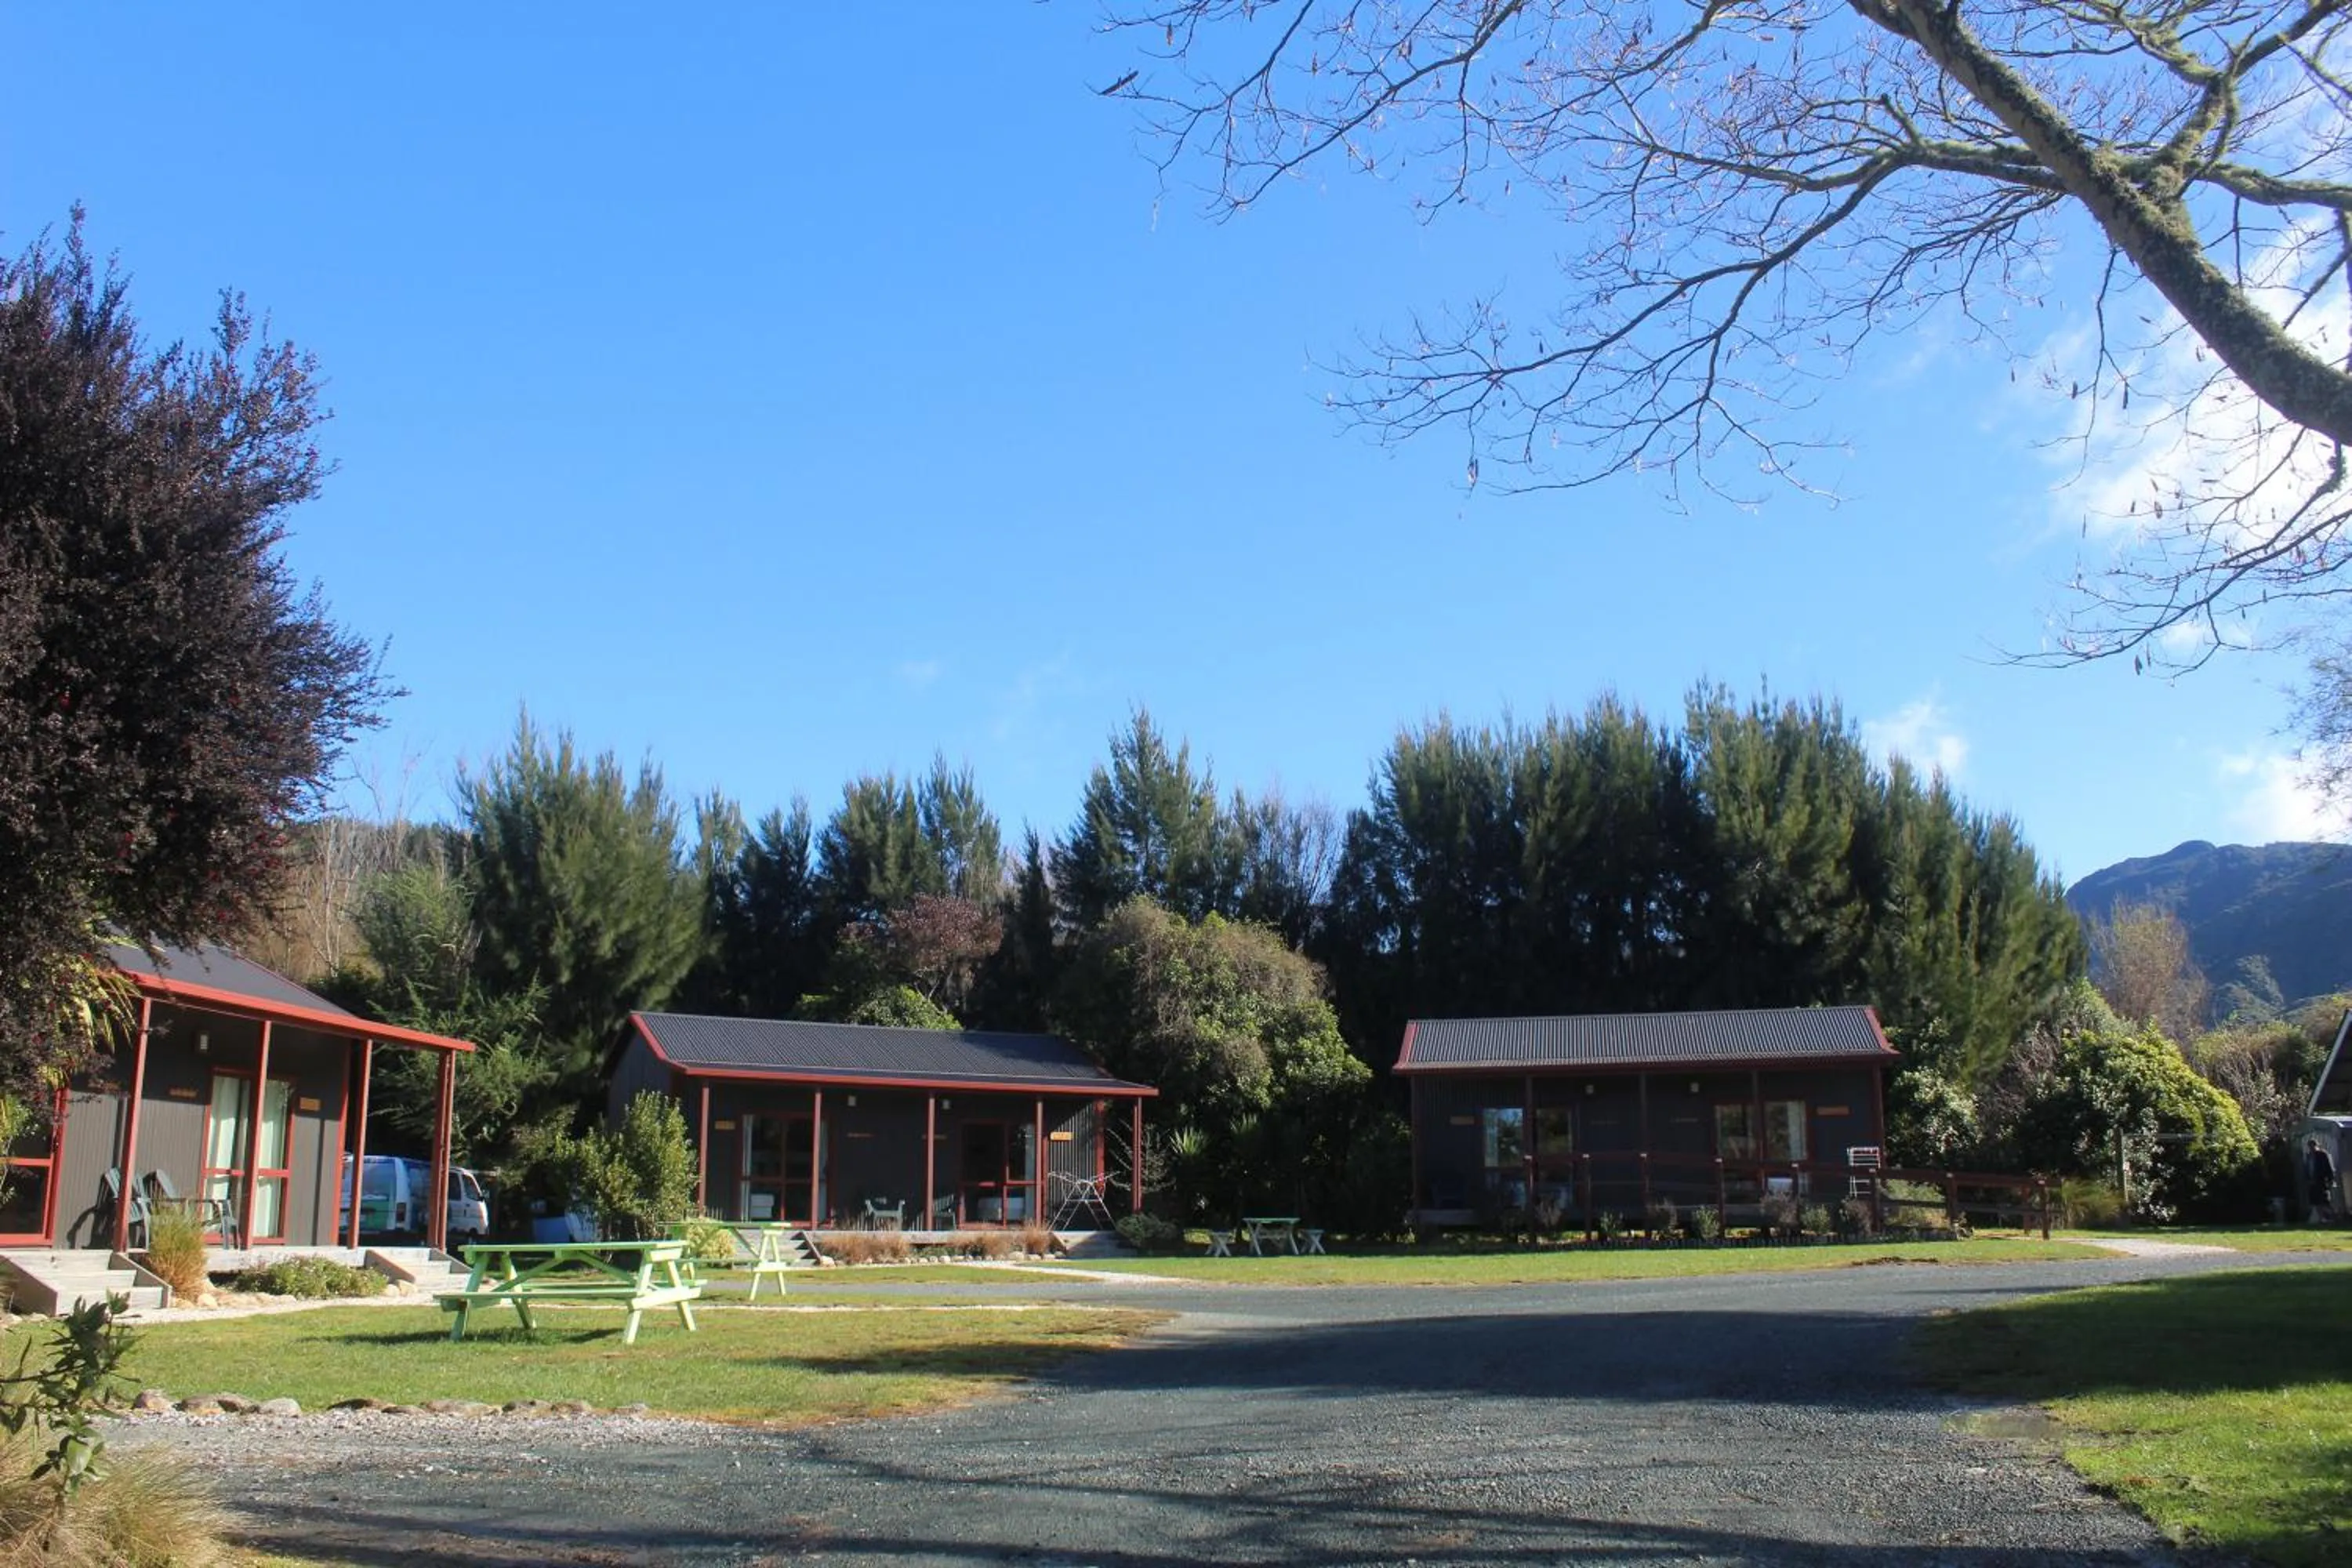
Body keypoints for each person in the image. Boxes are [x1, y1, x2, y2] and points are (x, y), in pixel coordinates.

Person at [2307, 1138, 2339, 1223]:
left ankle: (2334, 1216)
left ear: (2316, 1145)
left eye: (2312, 1146)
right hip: (2312, 1181)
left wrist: (2331, 1179)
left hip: (2321, 1180)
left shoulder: (2322, 1155)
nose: (2311, 1148)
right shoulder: (2309, 1156)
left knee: (2324, 1201)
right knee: (2316, 1202)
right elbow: (2308, 1169)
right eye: (2310, 1146)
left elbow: (2329, 1167)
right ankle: (2322, 1219)